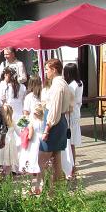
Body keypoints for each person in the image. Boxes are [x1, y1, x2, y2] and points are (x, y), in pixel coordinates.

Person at [36, 59, 72, 192]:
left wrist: (47, 128)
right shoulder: (63, 83)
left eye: (47, 69)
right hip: (60, 121)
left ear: (54, 69)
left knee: (42, 160)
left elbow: (55, 110)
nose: (45, 72)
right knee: (56, 159)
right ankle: (57, 190)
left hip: (54, 124)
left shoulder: (58, 85)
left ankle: (47, 189)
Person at [63, 63, 84, 177]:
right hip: (76, 111)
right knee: (72, 143)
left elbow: (69, 101)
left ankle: (71, 167)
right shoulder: (79, 83)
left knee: (70, 141)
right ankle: (73, 166)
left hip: (70, 113)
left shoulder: (72, 85)